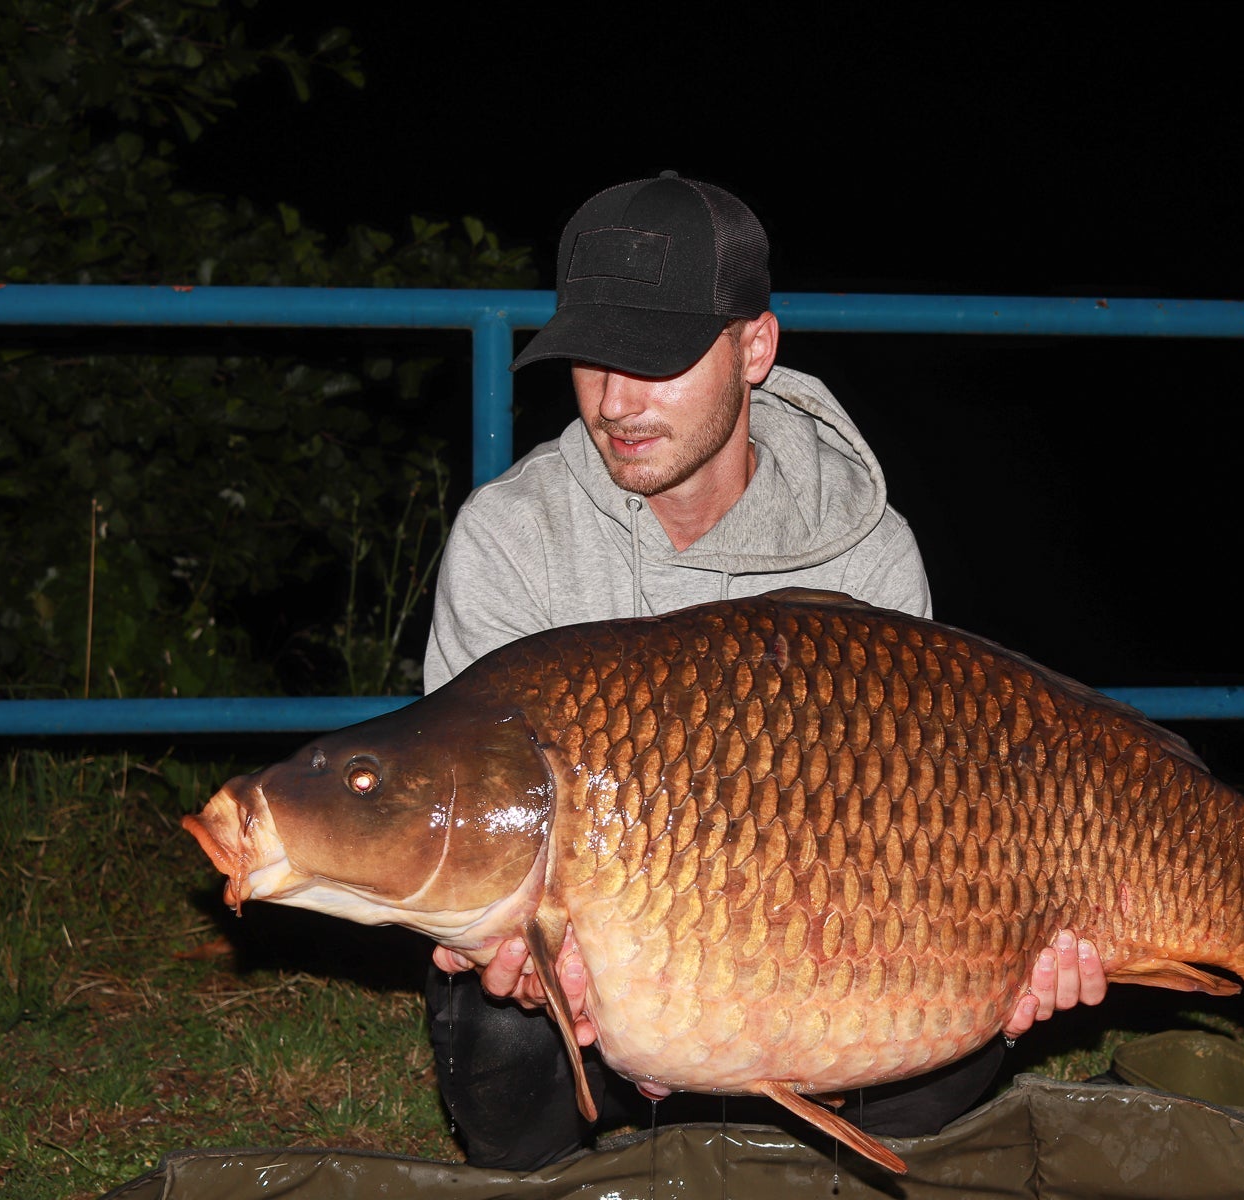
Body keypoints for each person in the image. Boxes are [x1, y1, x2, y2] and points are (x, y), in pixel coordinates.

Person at [421, 171, 1106, 1171]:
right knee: (501, 1055)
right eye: (591, 359)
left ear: (755, 348)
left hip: (825, 927)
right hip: (605, 949)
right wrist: (512, 953)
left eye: (655, 360)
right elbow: (467, 809)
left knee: (963, 1023)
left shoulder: (867, 554)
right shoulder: (511, 540)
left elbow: (923, 829)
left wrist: (1019, 942)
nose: (616, 402)